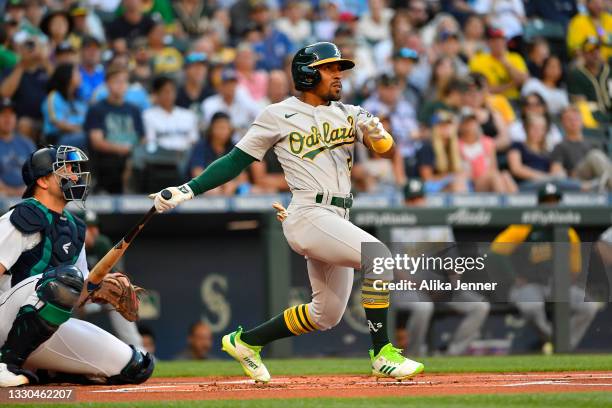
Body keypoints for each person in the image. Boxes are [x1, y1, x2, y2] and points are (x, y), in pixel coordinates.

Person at [150, 42, 424, 382]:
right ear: (308, 73)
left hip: (338, 216)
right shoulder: (277, 114)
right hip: (309, 212)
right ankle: (383, 353)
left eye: (339, 68)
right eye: (329, 68)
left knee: (326, 315)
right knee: (378, 257)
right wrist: (188, 189)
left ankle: (245, 341)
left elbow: (385, 150)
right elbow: (236, 161)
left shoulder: (349, 112)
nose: (338, 74)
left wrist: (379, 134)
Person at [0, 145, 154, 387]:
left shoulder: (74, 227)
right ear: (42, 181)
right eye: (65, 169)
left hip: (40, 331)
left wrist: (97, 288)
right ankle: (5, 364)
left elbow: (73, 293)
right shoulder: (21, 216)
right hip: (4, 319)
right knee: (64, 278)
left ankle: (49, 371)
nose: (74, 175)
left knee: (136, 366)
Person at [490, 183, 600, 351]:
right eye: (546, 201)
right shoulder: (524, 226)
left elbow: (575, 268)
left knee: (589, 306)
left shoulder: (568, 232)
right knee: (531, 307)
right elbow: (496, 251)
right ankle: (556, 343)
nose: (551, 205)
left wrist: (566, 281)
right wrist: (513, 277)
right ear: (539, 204)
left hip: (556, 285)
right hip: (530, 285)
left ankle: (564, 347)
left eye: (554, 201)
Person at [394, 181, 491, 356]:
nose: (417, 204)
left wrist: (451, 283)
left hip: (440, 287)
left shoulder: (439, 222)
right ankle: (414, 356)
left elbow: (454, 263)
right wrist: (425, 287)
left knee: (479, 306)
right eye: (412, 200)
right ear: (405, 202)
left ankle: (452, 354)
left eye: (419, 198)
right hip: (408, 289)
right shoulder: (397, 226)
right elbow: (398, 271)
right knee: (423, 307)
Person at [77, 210, 144, 349]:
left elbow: (114, 277)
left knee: (119, 296)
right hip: (76, 294)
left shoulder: (102, 243)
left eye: (95, 227)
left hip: (96, 294)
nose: (93, 232)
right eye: (88, 228)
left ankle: (138, 350)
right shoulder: (72, 244)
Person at [84, 64, 144, 194]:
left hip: (131, 157)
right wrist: (122, 149)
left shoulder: (134, 110)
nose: (121, 85)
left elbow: (142, 138)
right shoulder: (97, 109)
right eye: (117, 81)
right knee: (113, 163)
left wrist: (131, 155)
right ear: (107, 84)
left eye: (124, 81)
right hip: (107, 159)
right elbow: (97, 142)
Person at [551, 106, 612, 191]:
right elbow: (556, 171)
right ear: (562, 123)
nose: (573, 122)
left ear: (582, 121)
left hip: (597, 180)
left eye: (576, 118)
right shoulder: (560, 146)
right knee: (595, 155)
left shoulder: (593, 143)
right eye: (569, 119)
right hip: (576, 179)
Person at [458, 110, 517, 192]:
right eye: (467, 122)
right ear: (461, 125)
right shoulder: (457, 145)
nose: (471, 125)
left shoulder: (487, 143)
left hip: (488, 179)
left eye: (473, 122)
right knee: (495, 177)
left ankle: (514, 203)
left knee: (505, 175)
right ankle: (504, 203)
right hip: (472, 183)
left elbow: (493, 168)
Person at [468, 26, 528, 100]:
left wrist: (506, 64)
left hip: (514, 99)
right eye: (494, 40)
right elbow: (481, 89)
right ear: (488, 43)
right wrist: (511, 85)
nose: (498, 43)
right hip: (489, 100)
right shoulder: (478, 60)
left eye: (501, 40)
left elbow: (523, 81)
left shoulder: (515, 57)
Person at [417, 110, 470, 193]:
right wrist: (449, 177)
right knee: (457, 184)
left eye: (449, 125)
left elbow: (462, 170)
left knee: (462, 183)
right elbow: (427, 178)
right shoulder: (428, 147)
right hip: (433, 188)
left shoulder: (456, 147)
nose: (446, 128)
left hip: (454, 184)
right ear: (435, 128)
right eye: (442, 125)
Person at [201, 68, 260, 139]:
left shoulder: (244, 100)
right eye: (226, 84)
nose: (230, 87)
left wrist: (244, 95)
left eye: (233, 83)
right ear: (219, 86)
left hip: (241, 145)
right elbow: (211, 128)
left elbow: (259, 116)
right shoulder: (209, 103)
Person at [41, 63, 87, 149]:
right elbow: (56, 122)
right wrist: (81, 131)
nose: (80, 75)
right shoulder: (54, 96)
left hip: (78, 136)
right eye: (76, 73)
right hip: (57, 139)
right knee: (89, 139)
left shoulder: (79, 99)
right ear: (67, 76)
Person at [567, 38, 611, 124]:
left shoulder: (609, 71)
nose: (595, 54)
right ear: (583, 54)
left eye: (597, 50)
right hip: (593, 121)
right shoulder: (576, 75)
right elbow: (581, 106)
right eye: (591, 51)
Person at [0, 98, 35, 196]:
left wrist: (27, 190)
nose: (8, 118)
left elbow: (36, 173)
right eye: (3, 114)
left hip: (27, 195)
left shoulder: (27, 143)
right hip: (4, 196)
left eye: (11, 114)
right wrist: (14, 193)